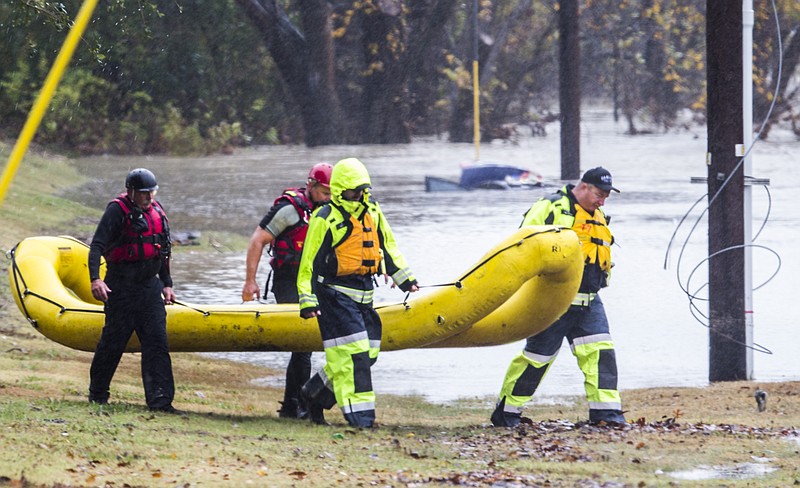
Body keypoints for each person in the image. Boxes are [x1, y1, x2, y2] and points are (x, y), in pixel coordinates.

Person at [491, 167, 626, 427]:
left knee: (601, 355)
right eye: (599, 194)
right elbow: (521, 244)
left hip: (589, 301)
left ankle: (607, 415)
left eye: (607, 196)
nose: (602, 201)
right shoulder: (551, 206)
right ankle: (506, 413)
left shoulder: (598, 215)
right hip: (552, 301)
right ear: (584, 187)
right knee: (536, 360)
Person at [297, 157, 419, 428]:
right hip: (334, 297)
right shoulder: (325, 217)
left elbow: (388, 246)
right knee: (354, 356)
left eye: (363, 190)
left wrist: (406, 279)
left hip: (364, 295)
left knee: (368, 352)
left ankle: (313, 394)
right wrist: (307, 300)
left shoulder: (372, 211)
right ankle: (361, 419)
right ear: (340, 190)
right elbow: (309, 263)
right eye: (354, 191)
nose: (360, 195)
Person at [241, 162, 333, 419]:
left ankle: (291, 406)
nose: (328, 198)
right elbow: (257, 240)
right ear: (311, 185)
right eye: (324, 192)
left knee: (303, 346)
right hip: (288, 280)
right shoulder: (289, 210)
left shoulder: (328, 211)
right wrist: (250, 281)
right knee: (302, 344)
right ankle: (300, 406)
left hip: (314, 281)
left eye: (331, 193)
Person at [87, 168, 180, 414]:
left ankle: (160, 401)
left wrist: (167, 284)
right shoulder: (117, 211)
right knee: (113, 342)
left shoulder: (157, 212)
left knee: (157, 342)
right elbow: (96, 246)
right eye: (144, 194)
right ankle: (98, 393)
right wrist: (96, 279)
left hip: (150, 288)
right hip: (121, 286)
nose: (149, 198)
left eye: (152, 192)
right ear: (131, 192)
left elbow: (163, 252)